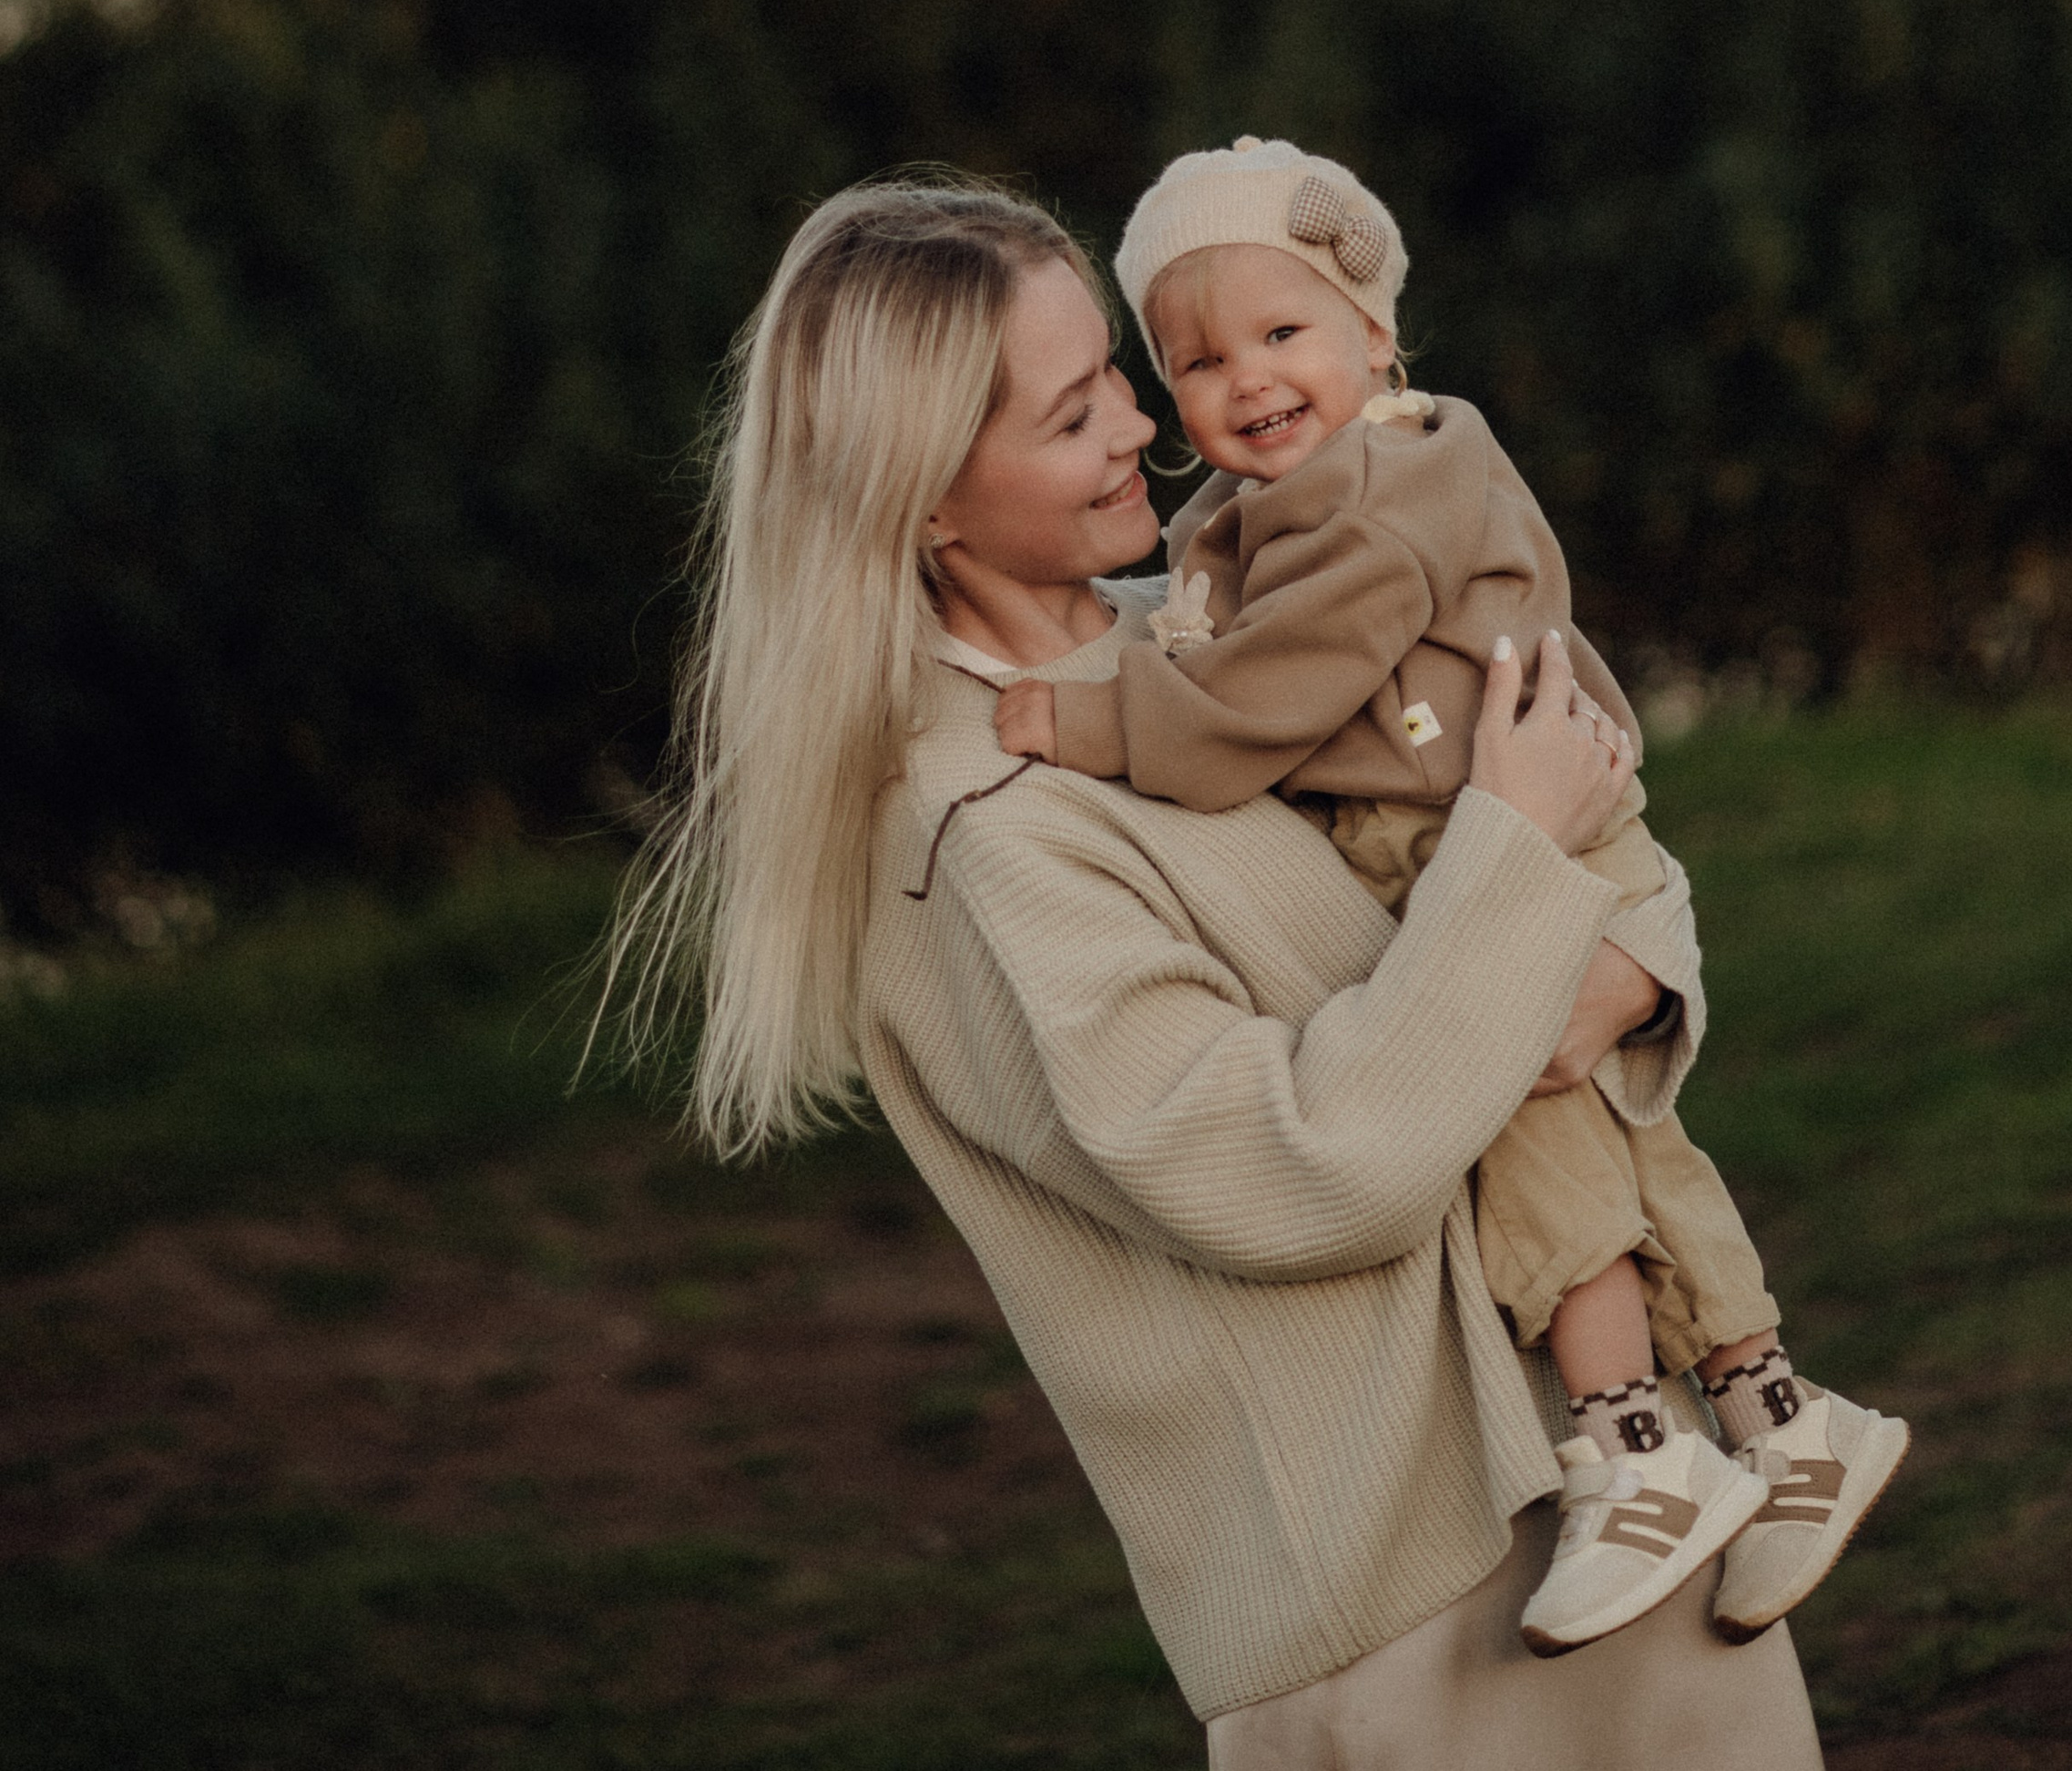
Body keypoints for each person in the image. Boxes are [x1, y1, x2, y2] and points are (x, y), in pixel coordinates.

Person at [618, 172, 1822, 1763]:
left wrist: (1614, 975)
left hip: (1619, 1471)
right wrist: (1524, 896)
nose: (1138, 426)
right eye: (1070, 416)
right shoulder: (975, 836)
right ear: (925, 500)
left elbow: (1599, 825)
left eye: (1116, 372)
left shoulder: (1206, 645)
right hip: (1411, 1607)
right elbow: (1296, 1166)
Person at [997, 137, 1906, 1657]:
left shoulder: (1383, 490)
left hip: (1504, 845)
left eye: (1283, 333)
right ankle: (1782, 1415)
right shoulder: (1262, 514)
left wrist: (1081, 723)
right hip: (1508, 840)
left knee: (1529, 1138)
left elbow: (1256, 707)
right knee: (1627, 1134)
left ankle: (1634, 1447)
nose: (1245, 379)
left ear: (1376, 335)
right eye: (1194, 356)